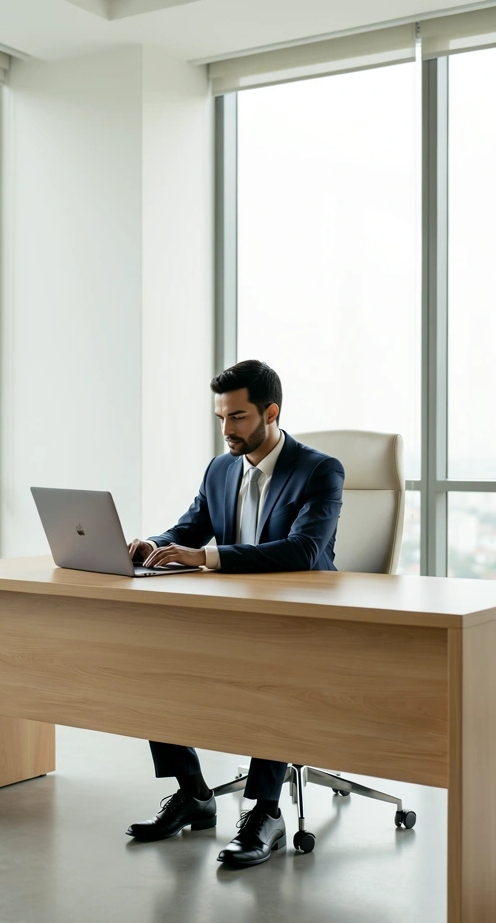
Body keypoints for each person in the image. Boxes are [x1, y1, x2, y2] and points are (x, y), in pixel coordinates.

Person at [126, 360, 345, 867]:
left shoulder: (318, 469)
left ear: (271, 413)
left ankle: (265, 811)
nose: (227, 430)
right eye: (221, 417)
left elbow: (304, 551)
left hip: (301, 619)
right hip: (230, 613)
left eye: (239, 417)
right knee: (155, 661)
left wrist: (205, 559)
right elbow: (190, 530)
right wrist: (151, 546)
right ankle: (193, 794)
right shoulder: (221, 468)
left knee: (272, 676)